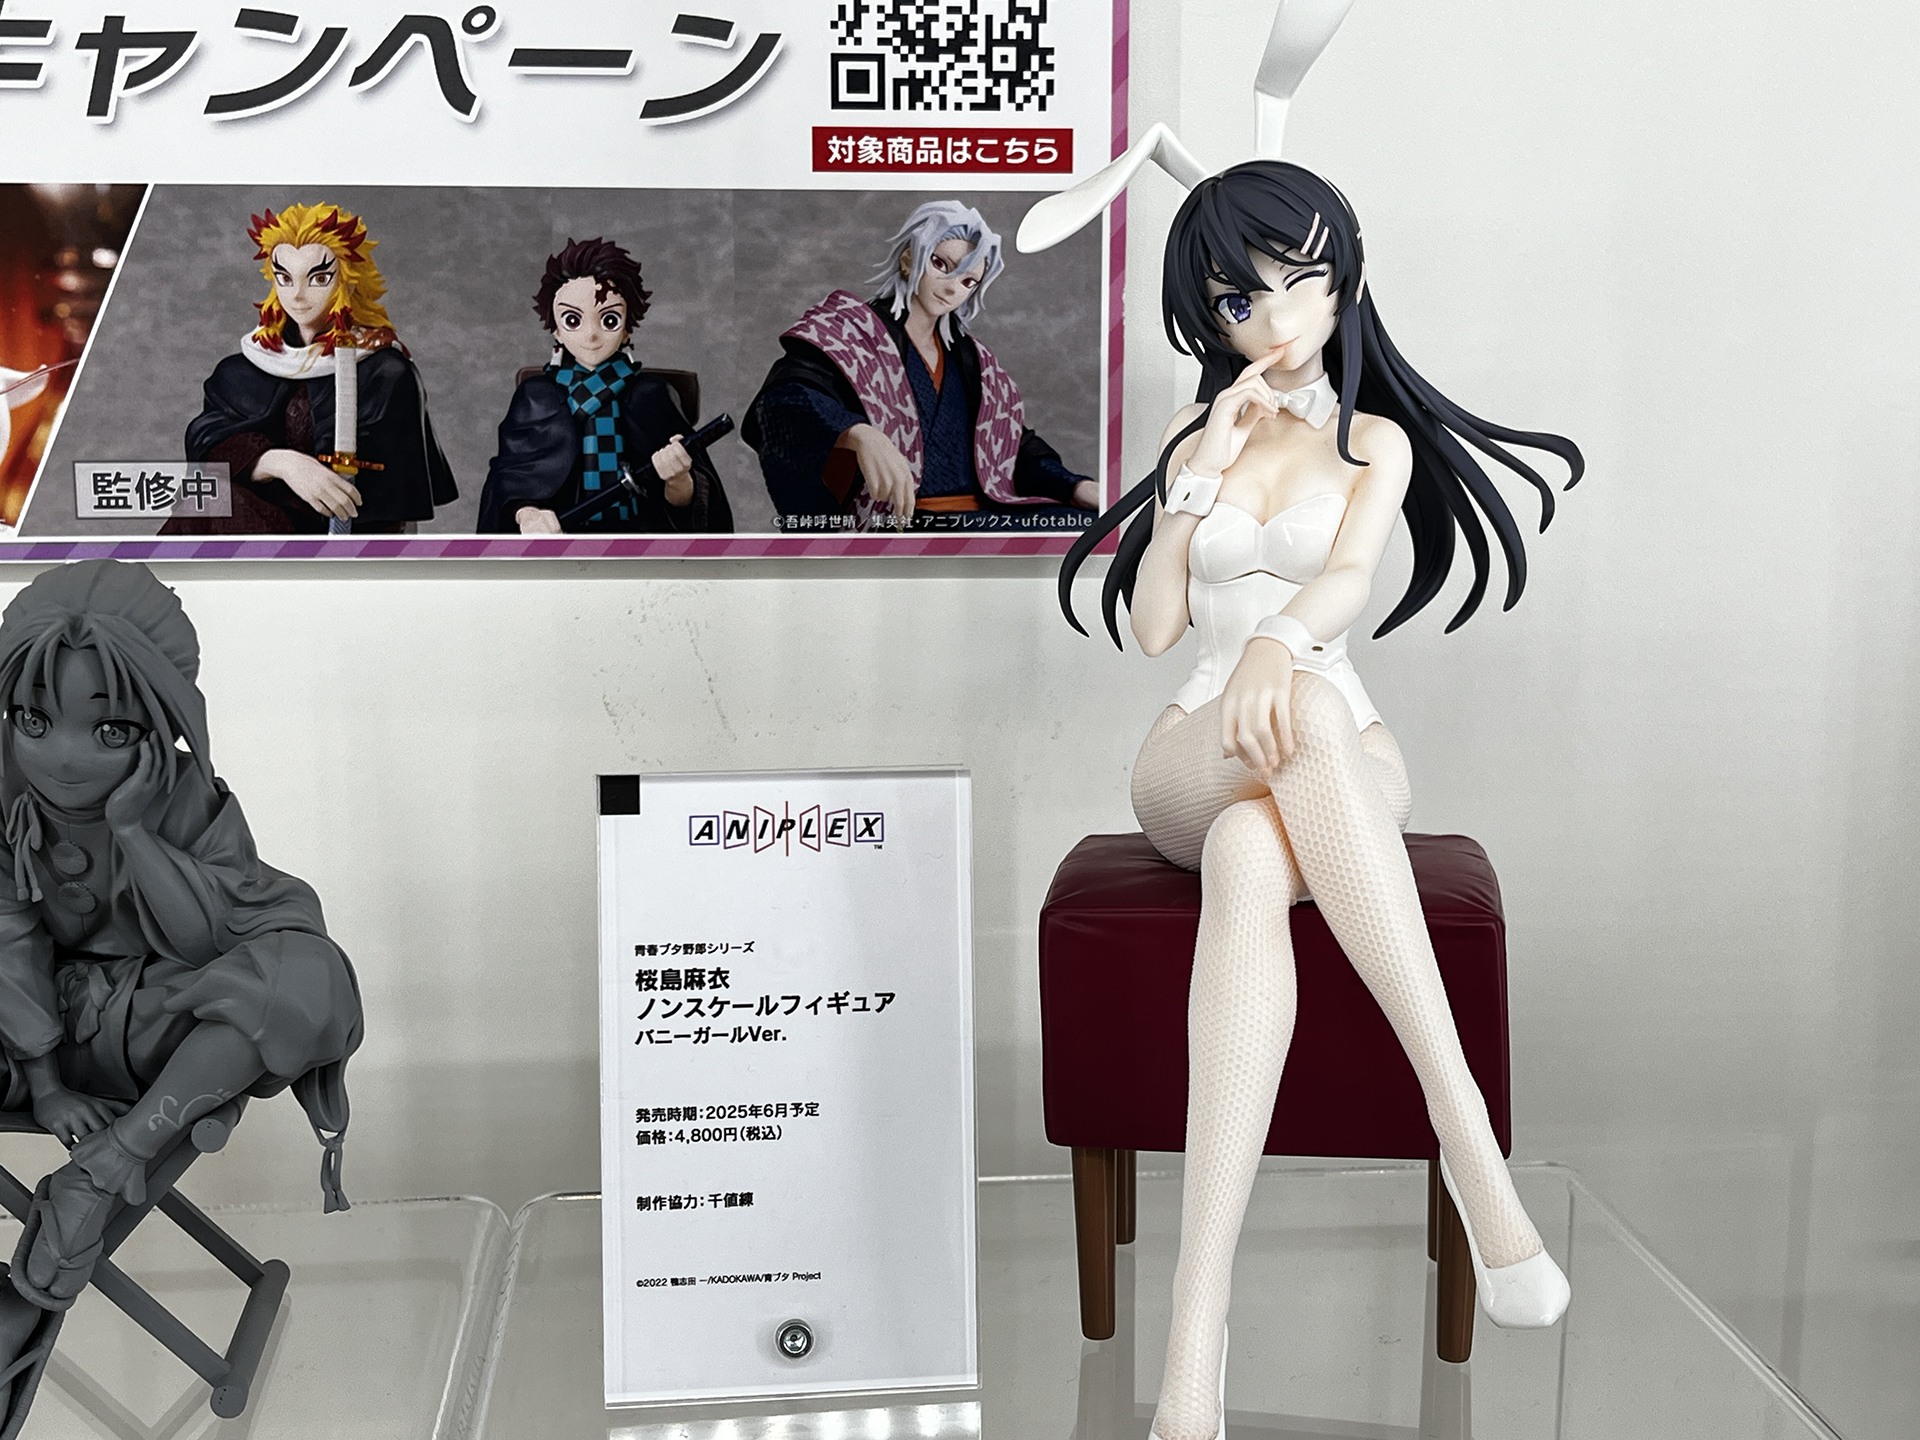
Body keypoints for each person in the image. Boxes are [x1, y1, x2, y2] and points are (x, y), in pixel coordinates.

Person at [1057, 161, 1584, 1440]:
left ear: (1345, 275)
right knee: (1268, 765)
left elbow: (1348, 579)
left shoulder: (1374, 441)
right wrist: (1196, 479)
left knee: (1258, 848)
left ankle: (1195, 1341)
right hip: (1194, 754)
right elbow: (1154, 631)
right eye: (1239, 302)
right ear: (1211, 320)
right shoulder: (1198, 439)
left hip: (1338, 739)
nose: (1277, 319)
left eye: (1300, 282)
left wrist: (1281, 642)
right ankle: (1472, 1146)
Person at [0, 560, 360, 1435]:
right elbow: (9, 936)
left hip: (156, 1030)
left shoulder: (186, 795)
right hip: (23, 1033)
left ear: (160, 721)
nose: (63, 755)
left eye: (108, 728)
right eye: (34, 721)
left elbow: (205, 943)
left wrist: (132, 831)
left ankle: (108, 1167)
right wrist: (45, 1084)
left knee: (304, 977)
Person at [744, 200, 1098, 531]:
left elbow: (1011, 445)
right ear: (909, 259)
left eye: (968, 281)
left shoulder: (972, 358)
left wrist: (1074, 485)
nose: (951, 288)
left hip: (982, 515)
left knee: (1086, 523)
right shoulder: (850, 331)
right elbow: (782, 401)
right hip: (899, 520)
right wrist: (857, 434)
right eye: (941, 265)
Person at [171, 203, 457, 535]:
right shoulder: (241, 370)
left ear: (349, 280)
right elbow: (208, 444)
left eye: (319, 278)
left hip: (339, 540)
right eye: (285, 278)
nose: (298, 295)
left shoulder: (383, 373)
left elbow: (397, 500)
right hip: (251, 527)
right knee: (209, 500)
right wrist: (281, 463)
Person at [477, 237, 732, 534]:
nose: (592, 335)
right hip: (558, 543)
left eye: (609, 320)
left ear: (626, 330)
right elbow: (508, 479)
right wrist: (528, 514)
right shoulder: (536, 397)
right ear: (556, 329)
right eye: (573, 320)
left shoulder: (650, 395)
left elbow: (696, 504)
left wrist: (678, 479)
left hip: (639, 542)